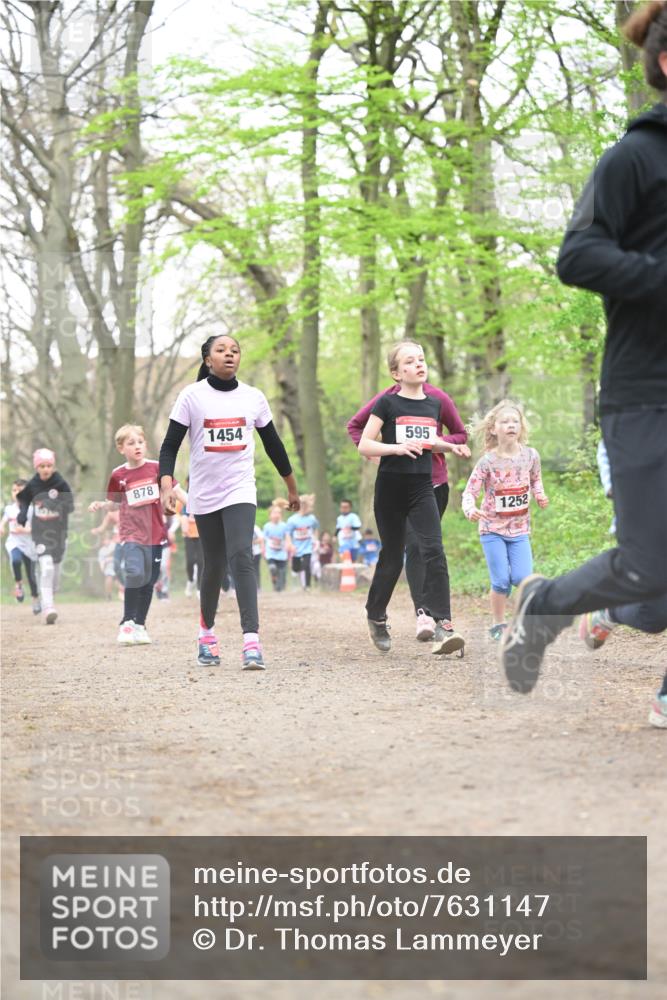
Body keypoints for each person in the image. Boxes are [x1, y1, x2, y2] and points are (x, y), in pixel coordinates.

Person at [500, 0, 667, 729]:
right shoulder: (635, 158)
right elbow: (578, 254)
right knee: (648, 573)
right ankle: (545, 604)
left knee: (657, 595)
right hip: (645, 392)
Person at [159, 334, 299, 669]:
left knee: (241, 554)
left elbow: (274, 445)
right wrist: (166, 485)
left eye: (235, 350)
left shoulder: (253, 397)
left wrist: (291, 487)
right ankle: (206, 633)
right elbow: (169, 446)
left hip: (240, 489)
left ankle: (252, 641)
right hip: (204, 495)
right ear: (207, 359)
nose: (229, 355)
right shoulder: (192, 397)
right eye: (221, 351)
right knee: (214, 565)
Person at [348, 339, 467, 642]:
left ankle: (443, 621)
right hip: (390, 489)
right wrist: (396, 448)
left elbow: (431, 441)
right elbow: (365, 444)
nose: (419, 364)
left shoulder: (434, 403)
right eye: (410, 362)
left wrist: (451, 447)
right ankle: (376, 614)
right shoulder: (387, 403)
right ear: (396, 373)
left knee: (433, 551)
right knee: (391, 557)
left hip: (422, 487)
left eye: (421, 359)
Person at [462, 401, 549, 641]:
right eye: (505, 422)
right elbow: (470, 491)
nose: (511, 425)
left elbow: (536, 480)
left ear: (521, 427)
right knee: (501, 582)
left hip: (520, 529)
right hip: (491, 529)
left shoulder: (531, 455)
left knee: (522, 578)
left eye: (515, 421)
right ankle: (498, 625)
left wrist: (540, 494)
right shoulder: (487, 462)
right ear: (493, 429)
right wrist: (470, 508)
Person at [89, 424, 182, 645]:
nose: (137, 446)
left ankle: (140, 625)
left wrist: (196, 507)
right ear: (121, 448)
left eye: (140, 442)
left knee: (149, 581)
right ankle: (127, 623)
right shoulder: (118, 475)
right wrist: (102, 505)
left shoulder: (157, 469)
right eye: (131, 443)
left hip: (156, 534)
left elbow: (176, 491)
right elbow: (114, 505)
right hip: (131, 534)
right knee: (134, 572)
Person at [16, 449, 74, 625]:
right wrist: (23, 514)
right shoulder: (33, 484)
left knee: (55, 573)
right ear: (37, 467)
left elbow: (70, 505)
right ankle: (48, 607)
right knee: (46, 568)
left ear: (53, 466)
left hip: (58, 533)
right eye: (42, 466)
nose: (46, 469)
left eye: (49, 465)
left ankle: (49, 598)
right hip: (40, 533)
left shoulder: (60, 483)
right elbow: (24, 499)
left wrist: (55, 503)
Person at [1, 478, 40, 613]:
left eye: (20, 491)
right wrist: (1, 527)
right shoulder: (9, 509)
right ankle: (18, 585)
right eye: (14, 490)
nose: (17, 493)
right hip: (14, 542)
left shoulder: (31, 510)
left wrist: (23, 530)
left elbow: (36, 529)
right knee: (16, 560)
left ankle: (35, 599)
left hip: (29, 545)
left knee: (32, 576)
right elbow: (4, 521)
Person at [286, 495, 319, 591]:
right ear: (303, 506)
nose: (311, 509)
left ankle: (307, 586)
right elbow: (288, 533)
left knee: (307, 565)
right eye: (310, 507)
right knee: (296, 568)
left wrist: (316, 540)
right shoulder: (292, 520)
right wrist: (290, 544)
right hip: (296, 548)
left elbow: (316, 528)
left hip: (308, 546)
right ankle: (296, 573)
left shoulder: (312, 518)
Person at [181, 490, 204, 597]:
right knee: (190, 561)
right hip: (189, 535)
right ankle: (190, 580)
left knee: (201, 561)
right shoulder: (187, 500)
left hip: (201, 535)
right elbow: (184, 517)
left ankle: (199, 588)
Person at [263, 505, 289, 592]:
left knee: (282, 572)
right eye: (274, 513)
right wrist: (263, 550)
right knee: (272, 568)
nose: (277, 515)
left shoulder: (284, 526)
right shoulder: (267, 526)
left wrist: (289, 545)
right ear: (270, 515)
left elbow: (287, 537)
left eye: (279, 513)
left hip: (282, 553)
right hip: (270, 553)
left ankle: (279, 587)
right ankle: (275, 581)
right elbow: (264, 539)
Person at [252, 523, 264, 589]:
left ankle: (258, 587)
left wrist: (252, 542)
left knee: (256, 570)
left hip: (256, 552)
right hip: (246, 553)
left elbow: (261, 538)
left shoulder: (255, 527)